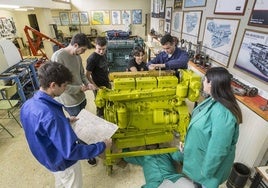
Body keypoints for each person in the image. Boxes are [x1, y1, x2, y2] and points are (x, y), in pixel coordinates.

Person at [20, 62, 112, 188]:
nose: (65, 89)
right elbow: (71, 152)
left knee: (61, 181)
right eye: (64, 86)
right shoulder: (50, 116)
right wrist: (101, 146)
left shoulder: (28, 105)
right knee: (71, 182)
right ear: (52, 85)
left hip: (47, 157)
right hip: (63, 162)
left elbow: (39, 128)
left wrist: (65, 121)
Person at [178, 67, 243, 188]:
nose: (202, 83)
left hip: (208, 168)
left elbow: (218, 148)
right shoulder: (212, 100)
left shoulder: (223, 114)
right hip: (200, 161)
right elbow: (201, 130)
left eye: (204, 80)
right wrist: (187, 145)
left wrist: (206, 171)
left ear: (211, 84)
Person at [51, 33, 98, 166]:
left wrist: (87, 84)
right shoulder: (58, 57)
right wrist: (79, 88)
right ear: (75, 45)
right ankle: (88, 154)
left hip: (81, 97)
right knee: (79, 126)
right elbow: (58, 85)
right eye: (82, 49)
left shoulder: (77, 57)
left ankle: (87, 144)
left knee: (83, 120)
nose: (82, 53)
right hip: (70, 100)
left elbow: (81, 74)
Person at [86, 37, 111, 118]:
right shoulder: (92, 59)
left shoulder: (104, 54)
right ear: (95, 46)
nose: (101, 51)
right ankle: (100, 118)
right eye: (99, 49)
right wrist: (96, 87)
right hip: (98, 86)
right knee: (100, 105)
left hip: (106, 83)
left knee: (108, 102)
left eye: (103, 49)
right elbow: (87, 75)